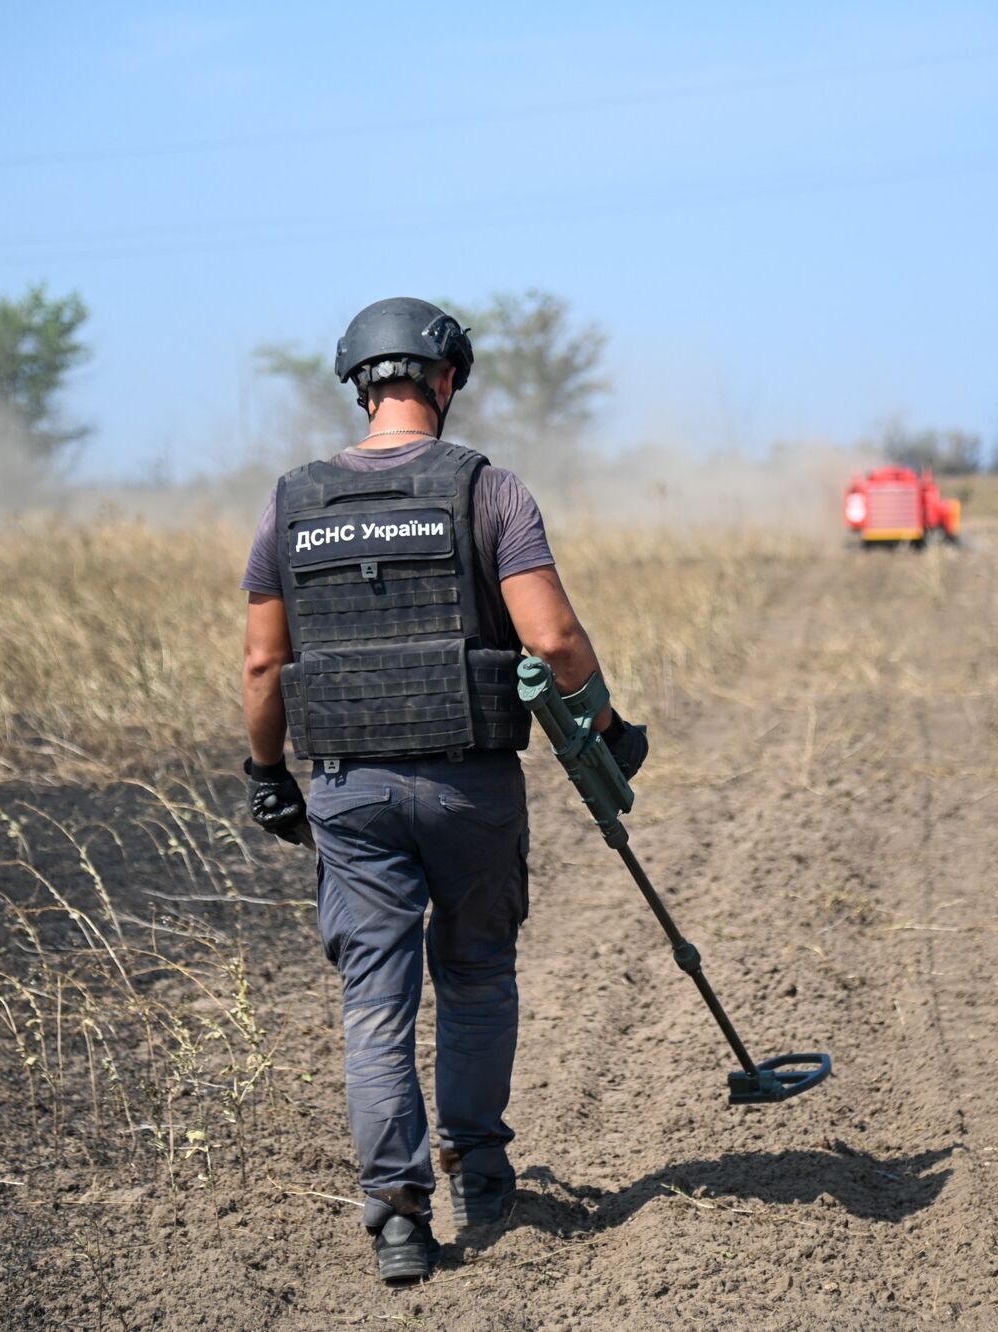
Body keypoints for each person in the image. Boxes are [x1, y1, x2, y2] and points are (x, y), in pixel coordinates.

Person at [238, 297, 647, 1284]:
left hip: (349, 791)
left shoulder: (289, 503)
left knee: (374, 1002)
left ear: (358, 386)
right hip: (469, 788)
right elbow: (550, 639)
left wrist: (267, 774)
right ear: (447, 380)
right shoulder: (486, 492)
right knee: (472, 978)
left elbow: (261, 667)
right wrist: (606, 727)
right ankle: (482, 1171)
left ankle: (396, 1215)